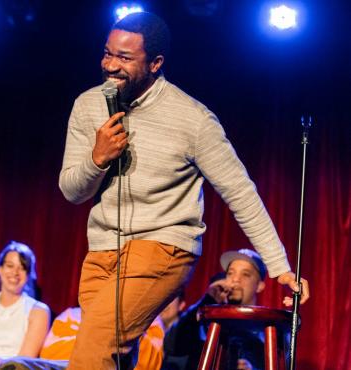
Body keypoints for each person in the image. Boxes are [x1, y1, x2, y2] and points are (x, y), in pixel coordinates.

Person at [58, 11, 309, 370]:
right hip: (100, 250)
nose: (110, 65)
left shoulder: (192, 119)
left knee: (93, 350)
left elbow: (240, 192)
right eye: (107, 53)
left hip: (162, 246)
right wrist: (96, 160)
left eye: (125, 58)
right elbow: (72, 191)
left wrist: (279, 266)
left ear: (156, 63)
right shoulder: (87, 105)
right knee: (114, 356)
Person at [163, 249, 275, 370]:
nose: (235, 279)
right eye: (231, 273)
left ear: (259, 286)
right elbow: (171, 345)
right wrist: (208, 299)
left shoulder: (269, 329)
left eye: (245, 274)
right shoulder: (209, 319)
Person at [0, 241, 50, 369]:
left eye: (22, 268)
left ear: (28, 274)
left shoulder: (38, 311)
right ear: (0, 269)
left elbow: (24, 361)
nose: (15, 272)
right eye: (10, 265)